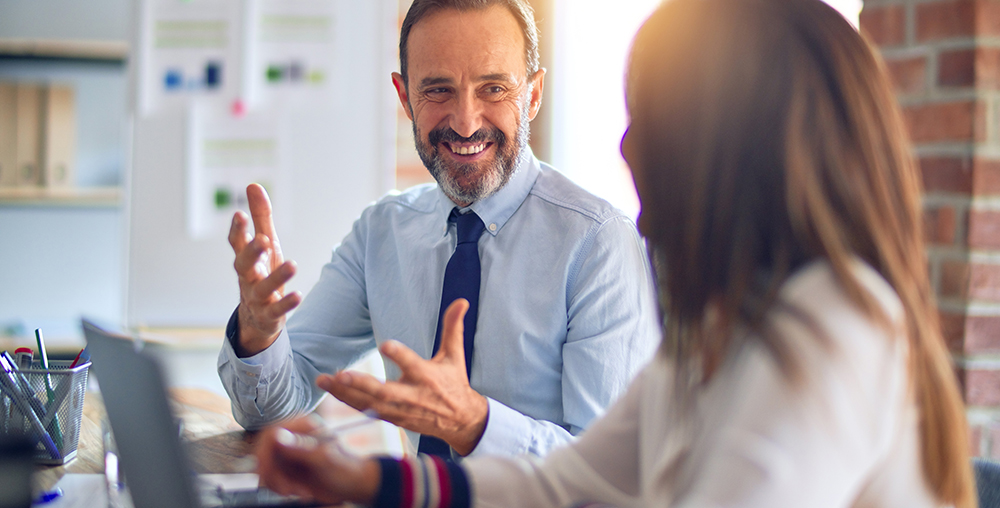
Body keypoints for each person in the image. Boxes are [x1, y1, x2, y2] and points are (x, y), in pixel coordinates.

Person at [250, 0, 978, 506]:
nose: (627, 146)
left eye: (651, 119)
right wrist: (362, 483)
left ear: (736, 148)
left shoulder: (832, 329)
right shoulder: (718, 333)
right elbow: (565, 485)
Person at [218, 0, 659, 459]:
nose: (466, 122)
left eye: (492, 88)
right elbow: (269, 411)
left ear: (532, 95)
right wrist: (258, 334)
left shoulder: (598, 243)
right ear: (405, 98)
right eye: (439, 91)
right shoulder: (381, 233)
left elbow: (610, 472)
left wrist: (475, 426)